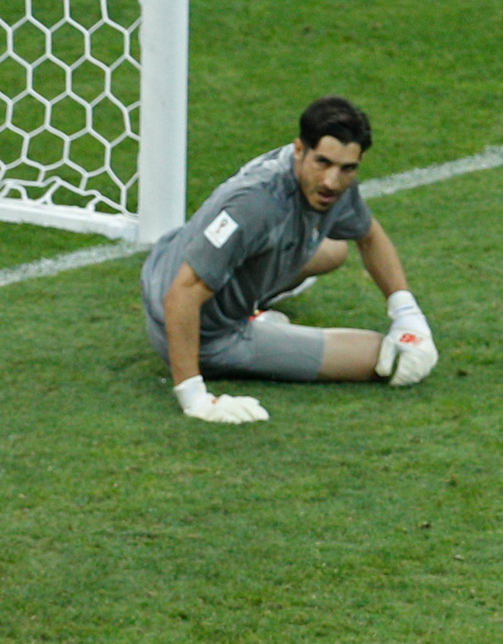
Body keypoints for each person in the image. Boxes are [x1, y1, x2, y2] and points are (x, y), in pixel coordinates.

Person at [141, 95, 438, 423]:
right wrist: (195, 398)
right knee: (390, 358)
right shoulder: (256, 204)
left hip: (169, 262)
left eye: (347, 168)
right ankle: (251, 322)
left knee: (334, 251)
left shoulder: (331, 182)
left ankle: (254, 307)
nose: (331, 181)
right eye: (323, 163)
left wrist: (407, 313)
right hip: (202, 330)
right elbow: (181, 295)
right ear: (300, 150)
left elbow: (369, 236)